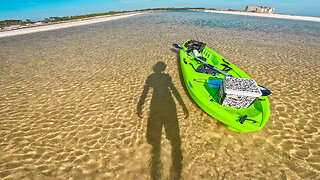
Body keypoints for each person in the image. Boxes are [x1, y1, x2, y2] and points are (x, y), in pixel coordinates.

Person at [137, 61, 188, 179]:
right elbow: (174, 91)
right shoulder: (166, 77)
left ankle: (155, 167)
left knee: (156, 139)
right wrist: (182, 105)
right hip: (169, 105)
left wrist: (140, 105)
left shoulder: (150, 78)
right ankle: (175, 167)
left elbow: (145, 93)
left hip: (156, 105)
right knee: (174, 139)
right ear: (163, 68)